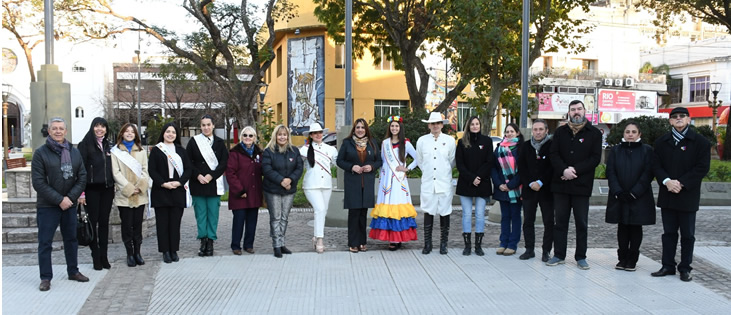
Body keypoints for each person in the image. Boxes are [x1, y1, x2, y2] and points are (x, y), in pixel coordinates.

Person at [651, 107, 710, 282]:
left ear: (688, 119)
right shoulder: (662, 142)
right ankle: (667, 265)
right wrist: (667, 181)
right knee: (668, 233)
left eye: (682, 116)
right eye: (674, 117)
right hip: (668, 193)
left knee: (687, 235)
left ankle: (685, 268)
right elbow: (656, 165)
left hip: (687, 195)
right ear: (670, 121)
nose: (678, 119)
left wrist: (681, 183)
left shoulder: (701, 142)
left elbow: (702, 168)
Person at [31, 117, 89, 291]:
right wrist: (59, 199)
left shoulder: (74, 151)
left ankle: (73, 271)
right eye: (54, 128)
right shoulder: (40, 153)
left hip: (69, 204)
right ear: (49, 131)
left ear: (66, 131)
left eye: (61, 128)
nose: (58, 131)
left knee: (71, 239)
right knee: (45, 242)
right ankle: (46, 277)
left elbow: (82, 176)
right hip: (48, 206)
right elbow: (38, 183)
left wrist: (69, 199)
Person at [546, 100, 602, 270]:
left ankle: (581, 257)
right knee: (560, 222)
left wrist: (574, 170)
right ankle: (559, 255)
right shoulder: (560, 132)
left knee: (581, 223)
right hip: (561, 185)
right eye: (573, 110)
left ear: (585, 111)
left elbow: (595, 158)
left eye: (579, 109)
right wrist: (564, 170)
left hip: (581, 186)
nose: (576, 112)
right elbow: (553, 154)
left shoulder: (594, 133)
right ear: (569, 112)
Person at [605, 121, 656, 271]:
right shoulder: (615, 150)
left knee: (635, 227)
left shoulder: (647, 150)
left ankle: (632, 259)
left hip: (639, 196)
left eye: (634, 132)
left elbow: (648, 173)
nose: (630, 135)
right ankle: (622, 258)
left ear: (639, 134)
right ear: (623, 134)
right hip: (619, 195)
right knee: (622, 226)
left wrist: (635, 192)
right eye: (628, 132)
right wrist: (618, 191)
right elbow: (611, 172)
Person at [370, 116, 419, 251]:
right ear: (389, 128)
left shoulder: (406, 144)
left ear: (400, 128)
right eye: (392, 126)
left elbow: (418, 158)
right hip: (386, 179)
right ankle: (391, 238)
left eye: (396, 126)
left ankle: (398, 237)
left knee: (398, 206)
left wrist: (407, 168)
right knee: (388, 205)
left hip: (399, 179)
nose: (394, 128)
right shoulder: (385, 143)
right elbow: (382, 161)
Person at [337, 118, 383, 253]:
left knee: (363, 214)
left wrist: (372, 166)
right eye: (358, 127)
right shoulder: (347, 143)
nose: (360, 130)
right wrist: (352, 167)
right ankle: (353, 242)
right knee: (354, 214)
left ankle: (362, 242)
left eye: (362, 127)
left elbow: (379, 160)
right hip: (353, 183)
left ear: (366, 129)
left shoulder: (372, 143)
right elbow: (339, 161)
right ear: (354, 129)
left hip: (367, 183)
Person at [149, 123, 192, 263]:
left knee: (175, 223)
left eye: (173, 132)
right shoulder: (156, 150)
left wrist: (179, 182)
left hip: (177, 190)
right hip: (161, 190)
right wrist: (163, 183)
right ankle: (165, 251)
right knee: (162, 224)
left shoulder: (181, 150)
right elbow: (152, 170)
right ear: (163, 133)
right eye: (168, 132)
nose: (170, 134)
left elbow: (188, 169)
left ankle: (174, 250)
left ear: (176, 135)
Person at [186, 114, 229, 257]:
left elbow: (223, 163)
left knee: (213, 214)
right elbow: (188, 162)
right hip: (198, 182)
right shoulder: (193, 142)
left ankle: (210, 241)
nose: (206, 127)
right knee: (200, 214)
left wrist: (211, 175)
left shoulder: (220, 143)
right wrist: (198, 175)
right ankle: (202, 240)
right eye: (203, 125)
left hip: (214, 183)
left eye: (208, 124)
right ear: (201, 126)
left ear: (213, 126)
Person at [77, 117, 115, 270]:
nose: (100, 129)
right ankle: (96, 256)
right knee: (92, 223)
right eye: (97, 126)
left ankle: (104, 256)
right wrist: (81, 194)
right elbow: (80, 171)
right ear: (92, 127)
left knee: (104, 223)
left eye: (103, 127)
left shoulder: (109, 145)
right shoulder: (84, 145)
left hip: (107, 189)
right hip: (91, 190)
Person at [110, 123, 150, 267]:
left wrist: (139, 187)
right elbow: (116, 173)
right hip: (124, 196)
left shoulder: (141, 151)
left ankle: (138, 252)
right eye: (126, 131)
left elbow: (145, 170)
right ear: (122, 133)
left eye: (132, 132)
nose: (129, 133)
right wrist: (128, 187)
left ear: (135, 135)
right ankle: (129, 254)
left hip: (139, 195)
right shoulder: (115, 152)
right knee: (127, 226)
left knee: (137, 226)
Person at [416, 112, 456, 255]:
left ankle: (443, 244)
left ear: (442, 125)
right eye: (433, 123)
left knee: (445, 212)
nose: (435, 126)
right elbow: (420, 161)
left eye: (438, 123)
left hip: (444, 182)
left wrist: (442, 173)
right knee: (428, 212)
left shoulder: (450, 141)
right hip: (428, 182)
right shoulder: (422, 141)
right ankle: (428, 244)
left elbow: (451, 161)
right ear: (429, 125)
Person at [262, 124, 304, 258]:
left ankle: (282, 242)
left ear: (288, 136)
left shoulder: (294, 151)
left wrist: (290, 180)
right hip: (273, 189)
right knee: (276, 218)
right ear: (275, 136)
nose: (282, 137)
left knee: (284, 218)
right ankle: (276, 245)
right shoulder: (268, 151)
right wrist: (281, 180)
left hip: (289, 190)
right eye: (279, 134)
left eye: (284, 134)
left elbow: (299, 168)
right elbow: (267, 169)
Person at [455, 116, 493, 256]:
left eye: (477, 123)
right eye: (472, 124)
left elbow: (489, 162)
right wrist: (472, 178)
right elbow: (460, 164)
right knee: (466, 215)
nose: (475, 126)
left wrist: (479, 177)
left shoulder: (487, 141)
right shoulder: (462, 142)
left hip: (482, 183)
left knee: (480, 215)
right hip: (466, 183)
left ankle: (478, 245)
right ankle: (467, 245)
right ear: (468, 126)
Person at [517, 119, 554, 262]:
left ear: (546, 131)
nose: (538, 132)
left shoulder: (552, 146)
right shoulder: (526, 146)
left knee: (549, 221)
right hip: (529, 190)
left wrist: (541, 182)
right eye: (535, 129)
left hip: (546, 191)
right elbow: (522, 168)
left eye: (540, 129)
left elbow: (552, 167)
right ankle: (529, 249)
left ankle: (546, 251)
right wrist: (530, 183)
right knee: (528, 221)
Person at [299, 123, 338, 253]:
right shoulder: (304, 150)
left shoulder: (331, 149)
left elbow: (339, 162)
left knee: (323, 211)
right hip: (311, 185)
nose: (318, 135)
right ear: (310, 135)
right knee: (320, 209)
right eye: (315, 133)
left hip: (326, 184)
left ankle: (316, 237)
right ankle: (320, 239)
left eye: (320, 132)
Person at [226, 126, 264, 255]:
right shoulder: (235, 153)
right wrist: (240, 190)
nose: (247, 138)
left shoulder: (259, 153)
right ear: (241, 137)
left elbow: (263, 170)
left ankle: (249, 245)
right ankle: (236, 245)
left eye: (250, 135)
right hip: (240, 194)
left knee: (252, 221)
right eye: (245, 135)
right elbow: (230, 173)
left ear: (254, 138)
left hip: (254, 193)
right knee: (239, 220)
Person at [491, 123, 524, 256]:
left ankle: (512, 244)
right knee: (505, 217)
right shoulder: (499, 148)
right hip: (501, 189)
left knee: (515, 216)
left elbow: (523, 170)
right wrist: (499, 184)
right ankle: (503, 242)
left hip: (515, 189)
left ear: (517, 133)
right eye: (507, 131)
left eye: (512, 131)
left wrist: (510, 185)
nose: (509, 134)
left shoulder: (521, 148)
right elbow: (493, 168)